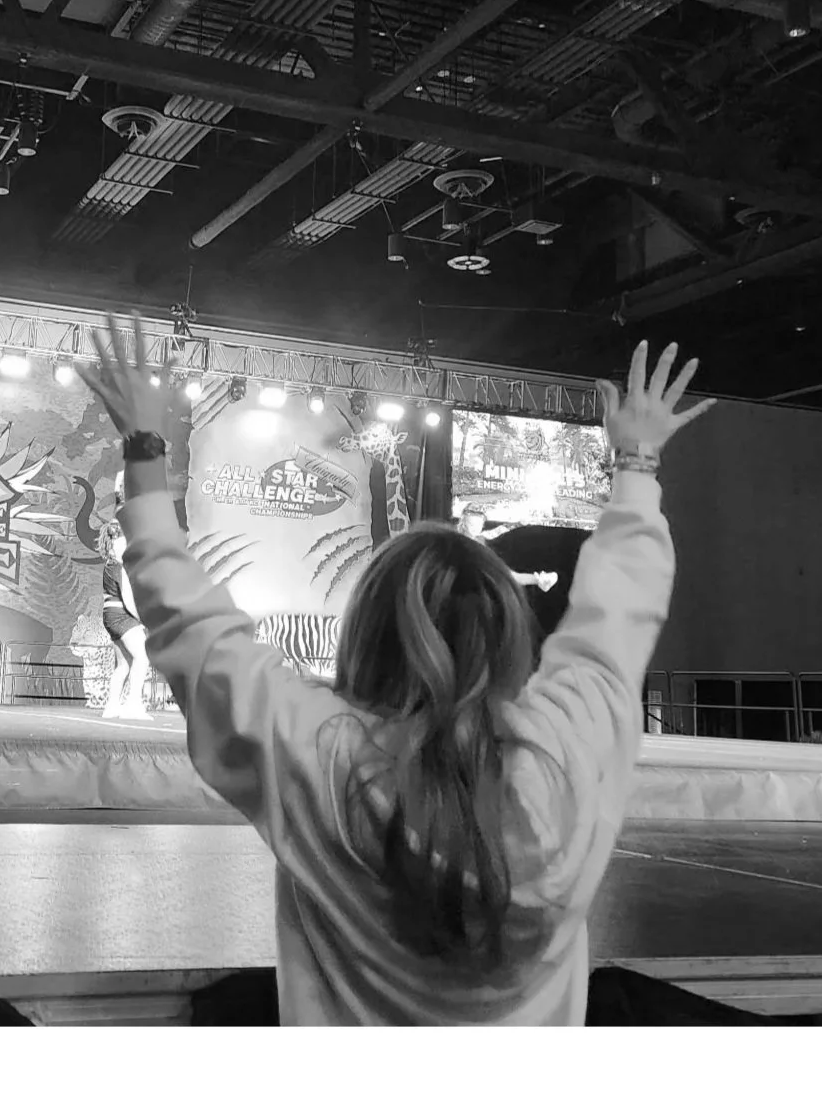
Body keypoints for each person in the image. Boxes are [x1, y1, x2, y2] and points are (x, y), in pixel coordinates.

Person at [84, 314, 711, 1026]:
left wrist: (142, 452)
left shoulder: (315, 753)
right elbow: (618, 611)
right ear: (509, 632)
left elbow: (187, 618)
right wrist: (635, 469)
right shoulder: (571, 746)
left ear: (365, 631)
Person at [99, 522, 152, 719]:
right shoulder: (119, 567)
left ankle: (111, 707)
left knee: (124, 664)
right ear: (114, 545)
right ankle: (133, 704)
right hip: (122, 616)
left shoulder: (109, 566)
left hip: (110, 617)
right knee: (143, 657)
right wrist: (143, 619)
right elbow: (129, 601)